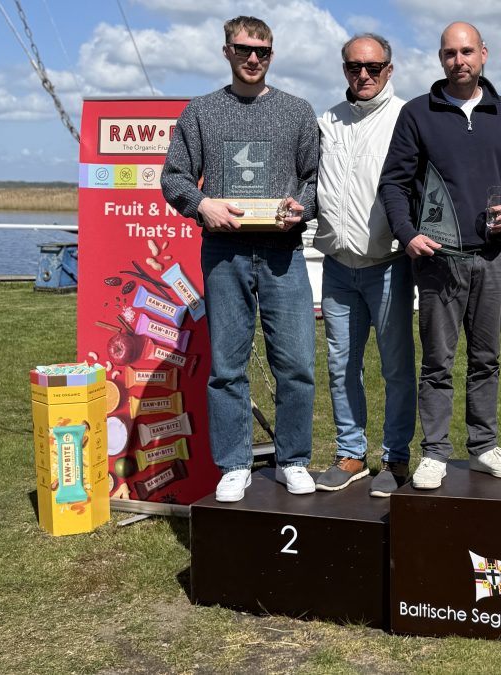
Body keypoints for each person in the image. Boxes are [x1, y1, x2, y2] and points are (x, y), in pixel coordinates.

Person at [161, 16, 319, 502]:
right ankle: (234, 463)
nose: (254, 59)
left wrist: (301, 209)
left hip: (282, 254)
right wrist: (203, 204)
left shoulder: (297, 111)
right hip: (224, 254)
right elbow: (174, 178)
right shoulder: (202, 112)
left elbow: (315, 181)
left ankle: (293, 458)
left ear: (272, 54)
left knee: (295, 364)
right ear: (226, 51)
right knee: (227, 367)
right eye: (244, 49)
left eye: (263, 51)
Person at [378, 22, 501, 490]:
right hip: (438, 259)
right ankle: (436, 453)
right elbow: (394, 183)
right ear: (440, 58)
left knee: (486, 359)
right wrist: (407, 235)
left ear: (484, 54)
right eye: (449, 53)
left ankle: (484, 446)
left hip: (490, 258)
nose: (458, 60)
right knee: (437, 363)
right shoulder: (417, 113)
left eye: (467, 51)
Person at [311, 34, 415, 498]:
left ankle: (395, 458)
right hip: (337, 265)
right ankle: (350, 454)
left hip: (390, 263)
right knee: (341, 365)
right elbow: (306, 183)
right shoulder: (325, 122)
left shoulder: (407, 118)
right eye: (355, 67)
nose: (364, 75)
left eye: (374, 67)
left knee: (396, 367)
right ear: (344, 69)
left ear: (389, 69)